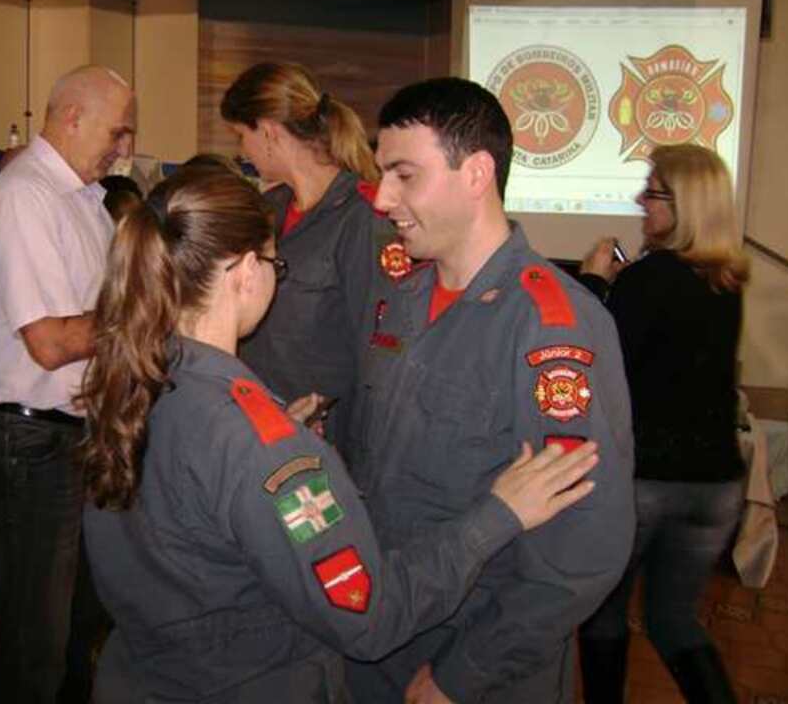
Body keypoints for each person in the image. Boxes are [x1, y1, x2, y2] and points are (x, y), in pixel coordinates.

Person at [78, 165, 603, 703]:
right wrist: (499, 514)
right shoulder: (266, 449)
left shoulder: (128, 386)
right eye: (273, 263)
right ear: (242, 271)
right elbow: (368, 616)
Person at [344, 77, 635, 704]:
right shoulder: (402, 296)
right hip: (383, 633)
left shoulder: (552, 327)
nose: (381, 198)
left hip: (475, 666)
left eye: (404, 175)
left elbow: (583, 550)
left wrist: (464, 672)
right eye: (381, 175)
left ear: (476, 173)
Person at [0, 65, 135, 704]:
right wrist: (141, 313)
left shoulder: (83, 201)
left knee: (77, 623)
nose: (124, 148)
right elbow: (53, 343)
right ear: (72, 118)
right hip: (26, 438)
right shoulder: (24, 197)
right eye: (117, 132)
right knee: (36, 640)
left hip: (67, 436)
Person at [578, 145, 748, 704]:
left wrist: (598, 285)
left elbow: (594, 363)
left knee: (602, 616)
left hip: (645, 481)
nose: (639, 202)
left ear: (685, 205)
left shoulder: (647, 281)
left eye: (652, 192)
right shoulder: (726, 282)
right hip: (717, 486)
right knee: (674, 622)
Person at [220, 61, 395, 454]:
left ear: (267, 132)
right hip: (256, 429)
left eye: (240, 136)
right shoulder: (266, 209)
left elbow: (380, 350)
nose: (240, 151)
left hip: (326, 442)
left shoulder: (363, 217)